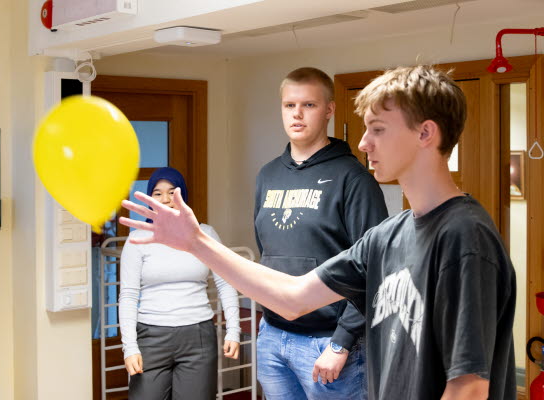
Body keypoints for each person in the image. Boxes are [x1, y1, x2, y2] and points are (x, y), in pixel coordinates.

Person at [119, 65, 517, 400]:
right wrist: (196, 242)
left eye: (378, 129)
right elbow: (293, 298)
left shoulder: (464, 236)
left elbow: (468, 387)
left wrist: (339, 343)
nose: (363, 142)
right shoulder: (387, 237)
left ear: (425, 133)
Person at [253, 67, 387, 399]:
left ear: (329, 110)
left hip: (329, 344)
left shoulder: (353, 179)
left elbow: (375, 268)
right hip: (272, 336)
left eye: (308, 105)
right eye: (289, 105)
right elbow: (267, 253)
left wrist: (342, 342)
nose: (296, 114)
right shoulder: (267, 175)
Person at [118, 167, 241, 400]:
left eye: (172, 192)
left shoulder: (205, 234)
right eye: (157, 193)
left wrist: (233, 330)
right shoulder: (137, 239)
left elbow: (226, 283)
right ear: (149, 198)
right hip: (150, 337)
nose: (165, 199)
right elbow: (128, 296)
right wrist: (130, 347)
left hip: (198, 337)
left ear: (182, 195)